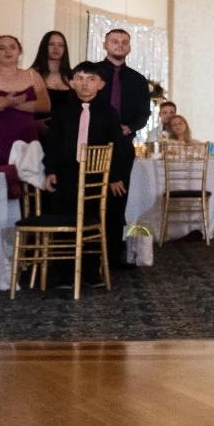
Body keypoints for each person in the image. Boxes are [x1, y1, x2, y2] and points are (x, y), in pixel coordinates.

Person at [39, 61, 131, 283]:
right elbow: (52, 144)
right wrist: (50, 170)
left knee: (95, 220)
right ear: (71, 83)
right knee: (64, 220)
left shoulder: (109, 113)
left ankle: (91, 271)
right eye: (79, 79)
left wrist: (114, 176)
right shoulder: (62, 113)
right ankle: (63, 272)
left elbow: (116, 146)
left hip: (96, 179)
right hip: (67, 177)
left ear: (101, 84)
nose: (85, 84)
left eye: (91, 79)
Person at [0, 35, 50, 164]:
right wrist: (6, 102)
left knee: (26, 174)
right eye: (2, 48)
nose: (8, 51)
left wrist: (6, 102)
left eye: (12, 47)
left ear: (19, 51)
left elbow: (45, 105)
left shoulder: (32, 75)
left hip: (26, 137)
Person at [96, 29, 150, 139]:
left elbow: (143, 113)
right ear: (104, 45)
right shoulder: (91, 73)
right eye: (115, 42)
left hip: (124, 140)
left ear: (129, 48)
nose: (120, 45)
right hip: (90, 139)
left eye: (125, 42)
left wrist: (130, 128)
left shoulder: (138, 80)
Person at [30, 30, 73, 133]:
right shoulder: (32, 74)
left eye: (60, 45)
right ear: (44, 47)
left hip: (65, 132)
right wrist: (33, 124)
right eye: (51, 44)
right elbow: (19, 107)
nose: (56, 48)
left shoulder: (72, 75)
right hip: (38, 132)